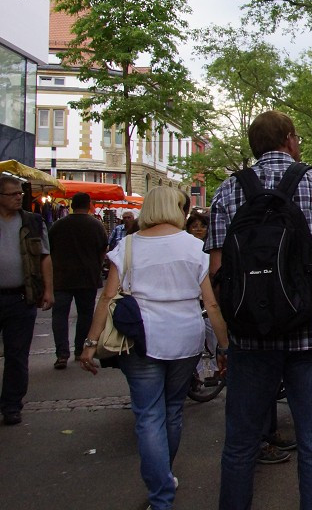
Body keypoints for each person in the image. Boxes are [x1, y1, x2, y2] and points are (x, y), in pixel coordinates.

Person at [206, 110, 312, 510]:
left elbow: (217, 271)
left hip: (249, 336)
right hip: (310, 330)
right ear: (291, 140)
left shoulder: (228, 191)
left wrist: (227, 336)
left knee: (241, 444)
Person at [79, 186, 229, 510]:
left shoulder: (128, 245)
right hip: (185, 337)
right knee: (172, 410)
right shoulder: (194, 247)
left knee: (148, 415)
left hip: (141, 337)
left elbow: (107, 297)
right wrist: (225, 345)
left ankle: (161, 493)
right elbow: (211, 304)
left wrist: (90, 343)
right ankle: (165, 475)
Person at [0, 175, 53, 426]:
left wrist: (48, 290)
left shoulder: (32, 221)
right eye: (13, 194)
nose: (19, 197)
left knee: (17, 355)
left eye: (20, 193)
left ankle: (11, 405)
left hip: (21, 296)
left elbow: (44, 257)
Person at [48, 192, 107, 369]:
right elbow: (103, 250)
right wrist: (97, 266)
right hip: (87, 277)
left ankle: (61, 354)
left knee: (59, 315)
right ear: (88, 205)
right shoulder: (95, 225)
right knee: (85, 315)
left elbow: (48, 250)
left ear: (72, 205)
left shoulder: (58, 225)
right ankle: (80, 349)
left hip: (61, 277)